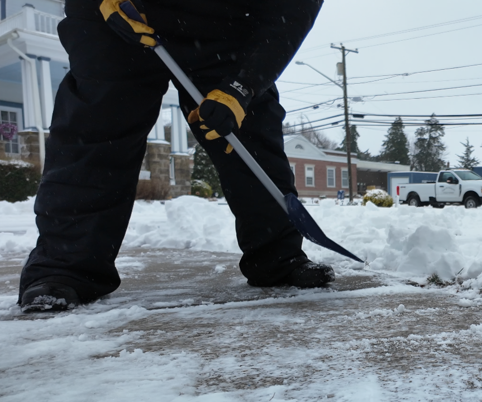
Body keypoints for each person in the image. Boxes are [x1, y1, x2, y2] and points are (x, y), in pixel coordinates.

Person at [18, 0, 333, 313]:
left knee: (246, 133)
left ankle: (278, 258)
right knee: (98, 125)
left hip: (229, 24)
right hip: (120, 12)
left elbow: (291, 14)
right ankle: (65, 265)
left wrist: (243, 87)